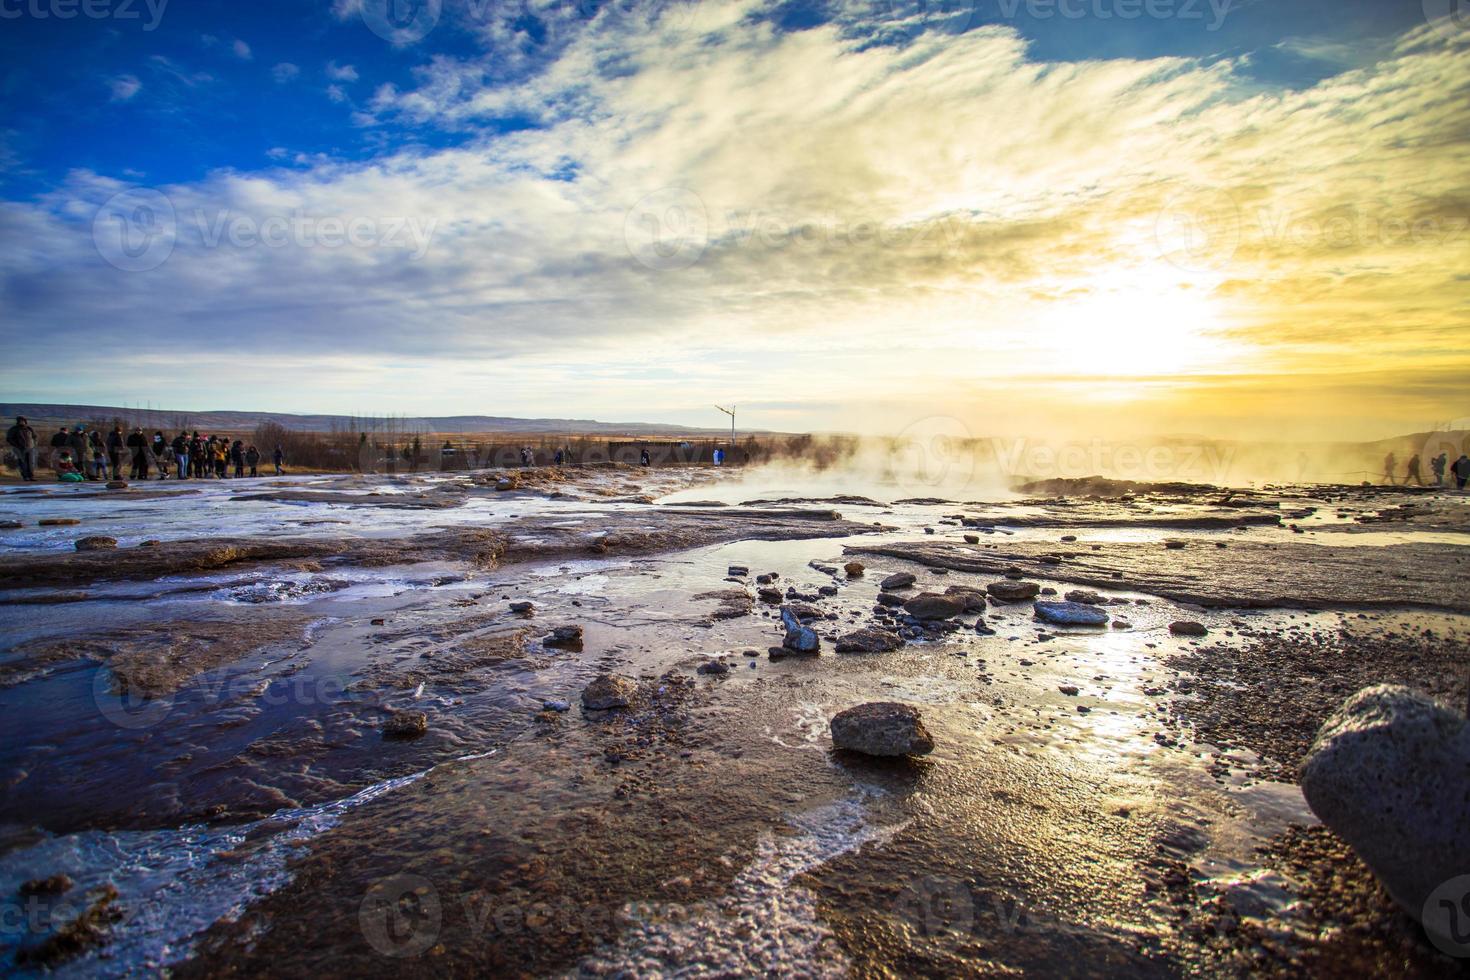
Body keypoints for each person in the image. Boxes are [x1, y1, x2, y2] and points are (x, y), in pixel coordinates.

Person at [6, 415, 38, 481]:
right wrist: (16, 445)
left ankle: (31, 476)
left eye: (23, 421)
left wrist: (34, 444)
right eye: (20, 421)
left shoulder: (29, 428)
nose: (22, 422)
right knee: (22, 462)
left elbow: (35, 437)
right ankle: (25, 476)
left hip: (30, 448)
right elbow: (9, 438)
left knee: (31, 462)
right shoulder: (14, 429)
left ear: (25, 421)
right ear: (18, 421)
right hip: (19, 449)